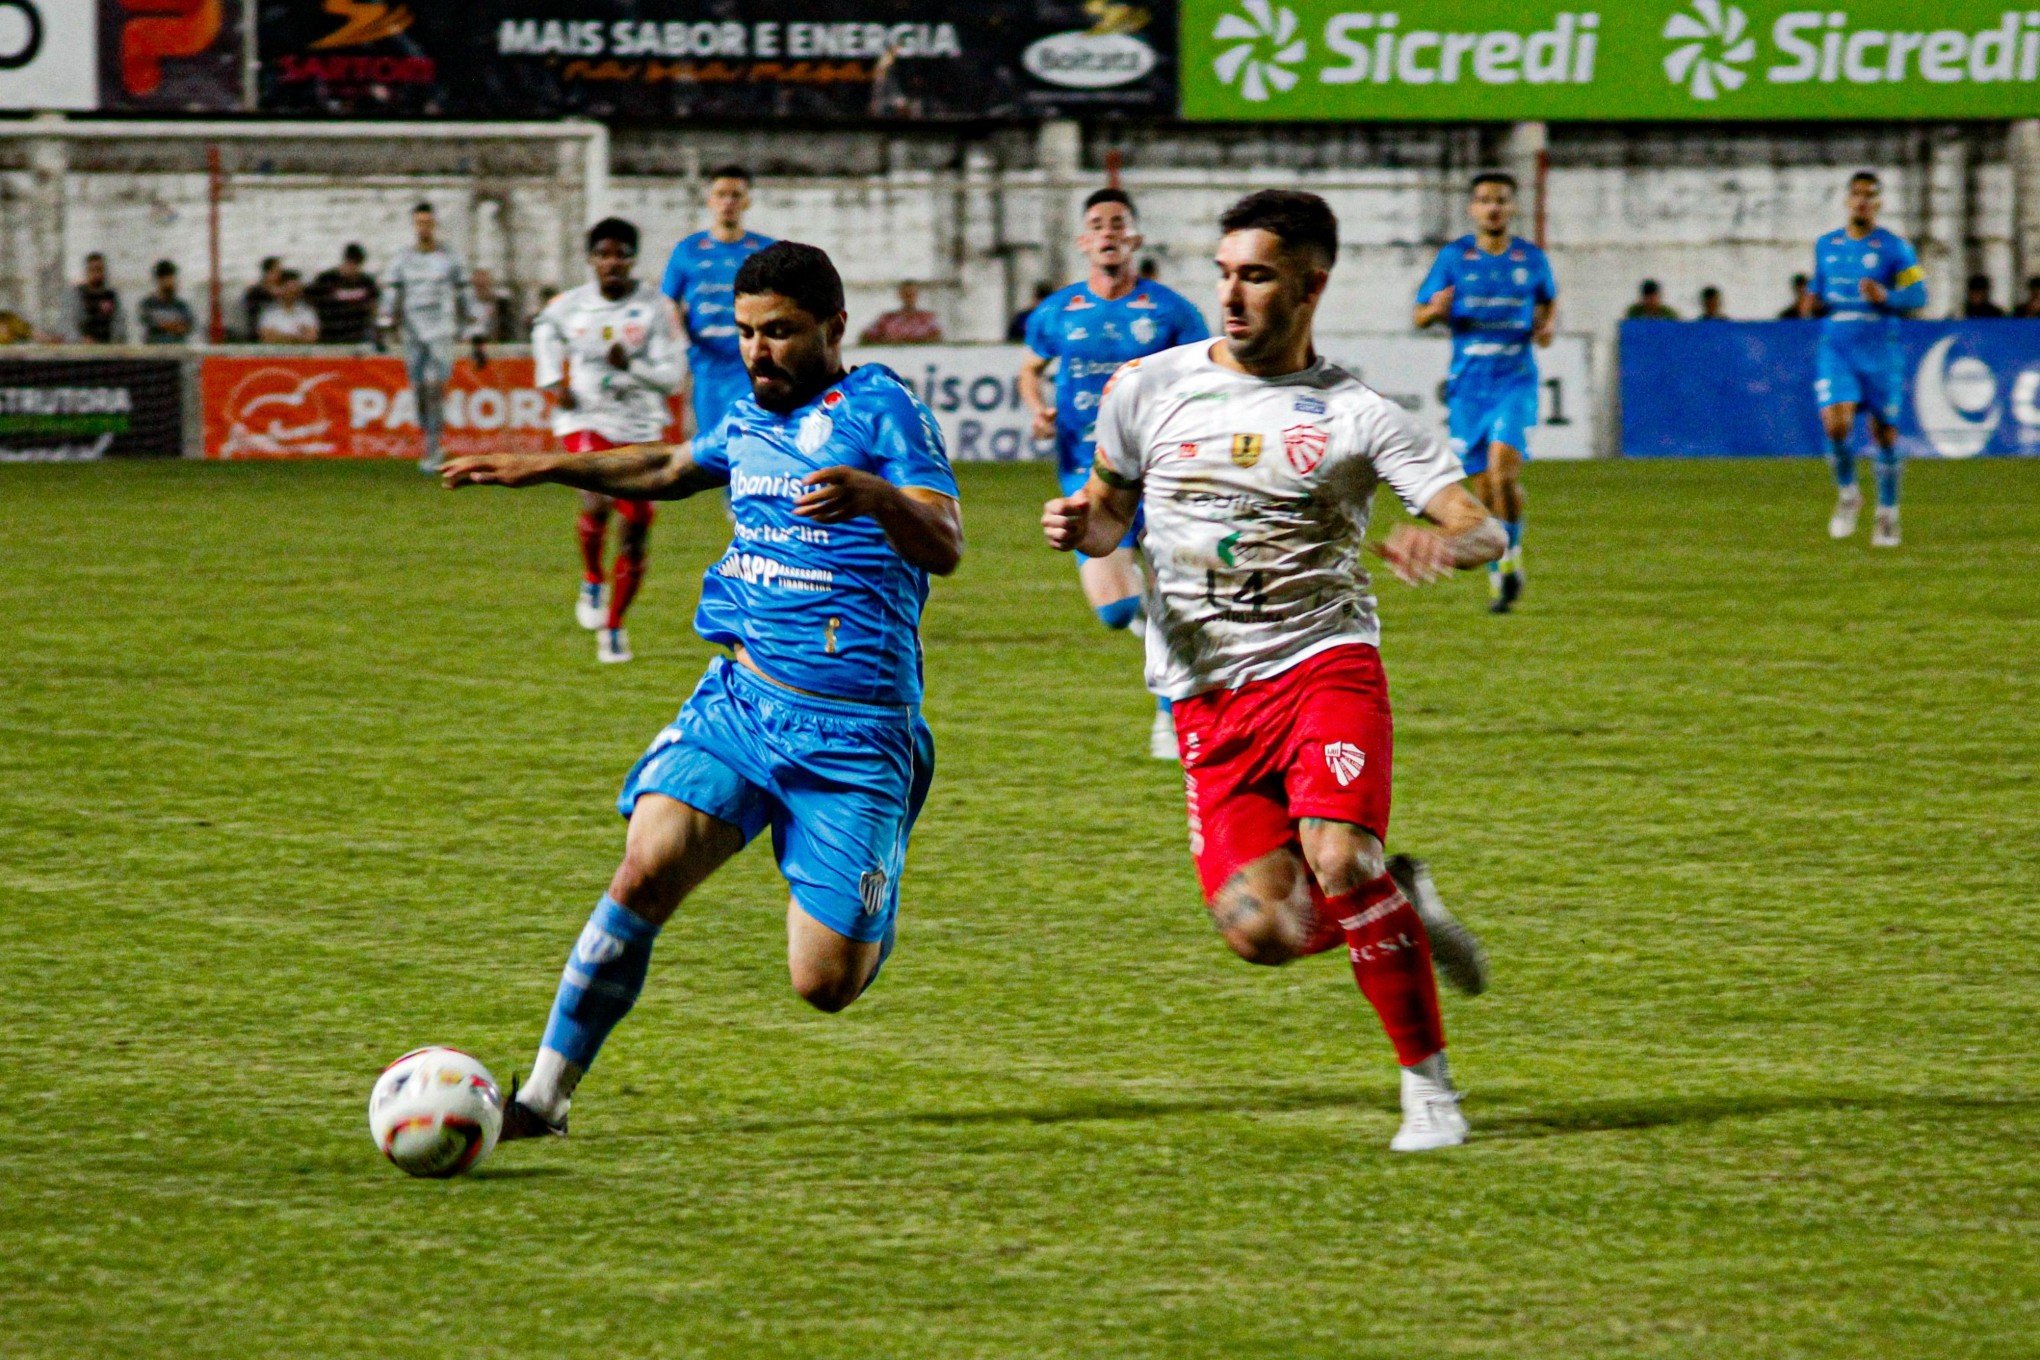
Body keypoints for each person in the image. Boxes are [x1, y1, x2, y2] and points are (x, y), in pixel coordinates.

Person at [440, 241, 963, 1141]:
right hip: (742, 704)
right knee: (643, 872)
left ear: (834, 327)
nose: (760, 352)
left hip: (856, 734)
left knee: (825, 985)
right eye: (748, 333)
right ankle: (543, 1099)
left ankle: (869, 880)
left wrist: (876, 495)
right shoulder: (749, 415)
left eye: (783, 333)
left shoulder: (883, 409)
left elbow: (946, 542)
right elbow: (673, 467)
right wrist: (545, 464)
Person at [1042, 189, 1500, 1153]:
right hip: (1205, 696)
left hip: (1321, 664)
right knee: (1262, 934)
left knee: (1337, 859)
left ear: (1310, 285)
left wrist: (1439, 543)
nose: (1233, 296)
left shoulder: (1358, 414)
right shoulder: (1146, 388)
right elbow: (1106, 513)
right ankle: (1400, 902)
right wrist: (1078, 528)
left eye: (1257, 276)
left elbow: (1482, 526)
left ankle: (1430, 1090)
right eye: (1224, 274)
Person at [1020, 187, 1210, 759]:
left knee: (1170, 587)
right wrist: (1038, 408)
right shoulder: (1058, 311)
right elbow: (1030, 369)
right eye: (1097, 224)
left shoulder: (1171, 311)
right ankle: (1165, 641)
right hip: (1086, 468)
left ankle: (1169, 710)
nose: (1108, 232)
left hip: (1158, 470)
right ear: (1084, 241)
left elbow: (1204, 376)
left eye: (1118, 224)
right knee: (1116, 611)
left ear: (1135, 238)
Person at [531, 218, 684, 664]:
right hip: (587, 418)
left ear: (633, 259)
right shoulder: (570, 305)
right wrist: (553, 380)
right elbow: (542, 328)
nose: (612, 262)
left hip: (640, 430)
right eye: (604, 254)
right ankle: (593, 576)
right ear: (591, 260)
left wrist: (631, 368)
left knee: (635, 532)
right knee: (596, 498)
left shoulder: (656, 309)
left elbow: (673, 380)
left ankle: (615, 625)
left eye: (621, 254)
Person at [1413, 171, 1555, 614]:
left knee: (1502, 473)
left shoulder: (1531, 259)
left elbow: (1547, 300)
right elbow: (1419, 314)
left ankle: (1508, 559)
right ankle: (1504, 564)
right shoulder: (1455, 258)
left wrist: (1546, 323)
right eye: (1484, 200)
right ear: (1473, 209)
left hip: (1514, 380)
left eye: (1501, 200)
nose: (1493, 207)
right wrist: (1434, 312)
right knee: (1485, 489)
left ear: (1512, 208)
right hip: (1468, 389)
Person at [1812, 171, 1927, 548]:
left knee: (1884, 435)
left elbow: (1919, 295)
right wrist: (1810, 302)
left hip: (1880, 351)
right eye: (1856, 194)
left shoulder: (1895, 248)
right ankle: (1848, 494)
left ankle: (1887, 514)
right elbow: (1818, 290)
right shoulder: (1826, 246)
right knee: (1835, 424)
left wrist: (1887, 297)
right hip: (1838, 348)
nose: (1862, 201)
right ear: (1847, 200)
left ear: (1878, 204)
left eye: (1870, 196)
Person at [662, 165, 774, 440]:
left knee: (754, 437)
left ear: (747, 201)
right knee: (715, 444)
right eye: (721, 194)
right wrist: (681, 342)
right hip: (706, 365)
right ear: (710, 199)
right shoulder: (688, 249)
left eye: (736, 195)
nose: (728, 202)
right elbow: (668, 301)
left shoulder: (766, 249)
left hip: (753, 362)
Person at [380, 202, 484, 472]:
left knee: (435, 387)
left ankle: (433, 446)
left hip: (442, 330)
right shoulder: (402, 258)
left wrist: (476, 333)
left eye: (427, 222)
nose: (423, 228)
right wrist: (384, 322)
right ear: (414, 226)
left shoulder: (449, 258)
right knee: (418, 391)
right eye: (419, 223)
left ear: (434, 225)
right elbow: (392, 293)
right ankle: (430, 439)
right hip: (412, 332)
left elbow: (466, 296)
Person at [308, 244, 380, 345]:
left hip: (357, 333)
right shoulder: (326, 279)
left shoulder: (366, 282)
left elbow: (373, 305)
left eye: (357, 264)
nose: (353, 268)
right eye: (351, 263)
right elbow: (311, 300)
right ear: (345, 260)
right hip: (330, 333)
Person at [63, 253, 126, 344]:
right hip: (82, 350)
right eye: (92, 270)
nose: (96, 274)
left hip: (109, 350)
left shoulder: (112, 296)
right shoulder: (77, 296)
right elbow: (69, 326)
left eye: (99, 269)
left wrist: (115, 341)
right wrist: (81, 340)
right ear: (86, 271)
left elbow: (119, 324)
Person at [858, 282, 943, 345]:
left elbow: (938, 338)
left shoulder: (927, 318)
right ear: (900, 295)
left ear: (917, 296)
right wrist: (886, 341)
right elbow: (865, 337)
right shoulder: (888, 318)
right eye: (906, 294)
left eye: (912, 294)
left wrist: (913, 341)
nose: (909, 298)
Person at [137, 260, 195, 345]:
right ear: (159, 280)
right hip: (154, 353)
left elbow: (189, 327)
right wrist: (175, 326)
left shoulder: (182, 305)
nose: (171, 282)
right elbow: (148, 321)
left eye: (172, 278)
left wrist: (163, 324)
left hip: (178, 352)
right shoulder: (148, 304)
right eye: (167, 278)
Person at [257, 271, 320, 344]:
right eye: (289, 289)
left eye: (295, 289)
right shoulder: (269, 313)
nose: (292, 292)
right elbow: (266, 338)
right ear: (281, 289)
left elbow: (311, 337)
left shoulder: (307, 312)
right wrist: (298, 336)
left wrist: (278, 336)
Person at [472, 267, 520, 343]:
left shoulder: (500, 300)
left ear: (490, 283)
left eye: (484, 284)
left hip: (497, 341)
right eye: (478, 285)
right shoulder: (469, 304)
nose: (481, 286)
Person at [241, 257, 284, 341]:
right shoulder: (255, 292)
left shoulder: (283, 292)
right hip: (259, 332)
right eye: (277, 271)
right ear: (267, 272)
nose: (279, 275)